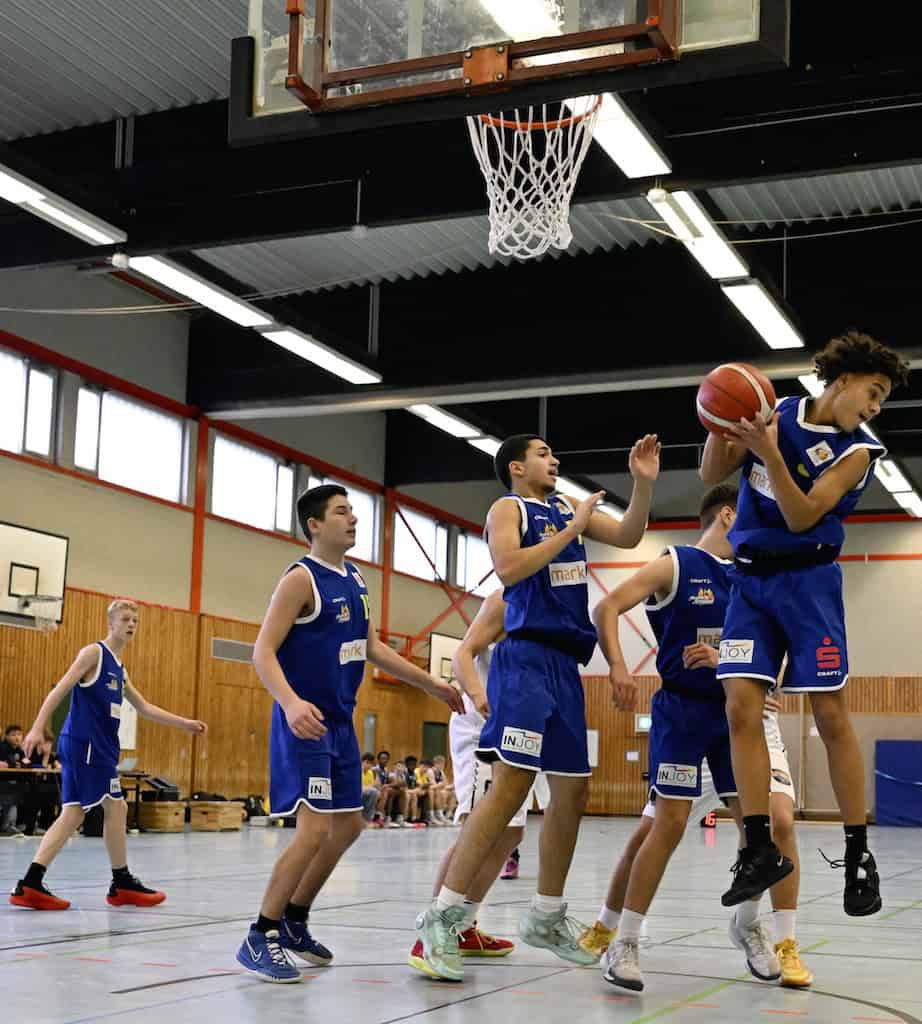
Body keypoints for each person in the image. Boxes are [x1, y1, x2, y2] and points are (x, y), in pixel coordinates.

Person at [414, 432, 660, 981]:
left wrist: (642, 485)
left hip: (565, 669)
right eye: (544, 453)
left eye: (554, 451)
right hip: (522, 662)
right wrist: (571, 529)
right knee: (510, 789)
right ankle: (442, 915)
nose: (555, 459)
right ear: (517, 467)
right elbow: (507, 569)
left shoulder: (564, 509)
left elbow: (628, 532)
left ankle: (547, 915)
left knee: (574, 791)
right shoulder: (510, 507)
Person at [701, 331, 909, 912]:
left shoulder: (858, 453)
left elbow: (799, 516)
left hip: (809, 584)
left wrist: (767, 451)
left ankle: (858, 853)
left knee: (831, 713)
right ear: (840, 381)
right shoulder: (777, 409)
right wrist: (724, 422)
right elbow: (709, 472)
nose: (874, 407)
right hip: (750, 584)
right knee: (739, 708)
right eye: (872, 392)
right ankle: (760, 847)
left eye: (882, 400)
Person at [236, 484, 464, 983]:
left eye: (353, 512)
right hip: (306, 720)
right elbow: (262, 652)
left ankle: (295, 918)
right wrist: (291, 702)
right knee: (315, 829)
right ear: (315, 524)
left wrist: (432, 684)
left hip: (340, 722)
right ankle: (260, 934)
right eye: (342, 513)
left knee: (351, 825)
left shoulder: (356, 578)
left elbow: (372, 647)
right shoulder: (301, 579)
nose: (354, 520)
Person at [9, 599, 207, 911]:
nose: (131, 625)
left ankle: (35, 881)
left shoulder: (119, 668)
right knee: (109, 808)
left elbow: (143, 707)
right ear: (110, 624)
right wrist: (36, 728)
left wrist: (184, 723)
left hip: (95, 748)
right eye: (125, 619)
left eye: (135, 621)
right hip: (86, 745)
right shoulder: (94, 654)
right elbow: (59, 689)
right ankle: (119, 881)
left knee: (88, 810)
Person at [410, 590, 545, 976]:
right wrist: (479, 694)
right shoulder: (506, 597)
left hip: (519, 727)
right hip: (482, 726)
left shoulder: (553, 598)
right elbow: (462, 653)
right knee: (478, 830)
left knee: (509, 834)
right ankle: (430, 936)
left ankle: (464, 926)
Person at [1, 725, 27, 836]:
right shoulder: (3, 747)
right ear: (6, 736)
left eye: (19, 734)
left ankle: (10, 825)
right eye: (13, 735)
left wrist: (16, 764)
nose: (17, 737)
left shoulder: (21, 750)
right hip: (3, 781)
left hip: (15, 782)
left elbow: (26, 763)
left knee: (13, 804)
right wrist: (14, 764)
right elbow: (9, 763)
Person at [360, 753, 379, 824]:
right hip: (354, 791)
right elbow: (359, 786)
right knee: (373, 792)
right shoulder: (357, 770)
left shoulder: (370, 773)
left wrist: (376, 774)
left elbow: (375, 785)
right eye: (370, 764)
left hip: (365, 791)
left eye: (372, 764)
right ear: (365, 762)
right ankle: (365, 819)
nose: (371, 766)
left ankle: (368, 819)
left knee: (375, 792)